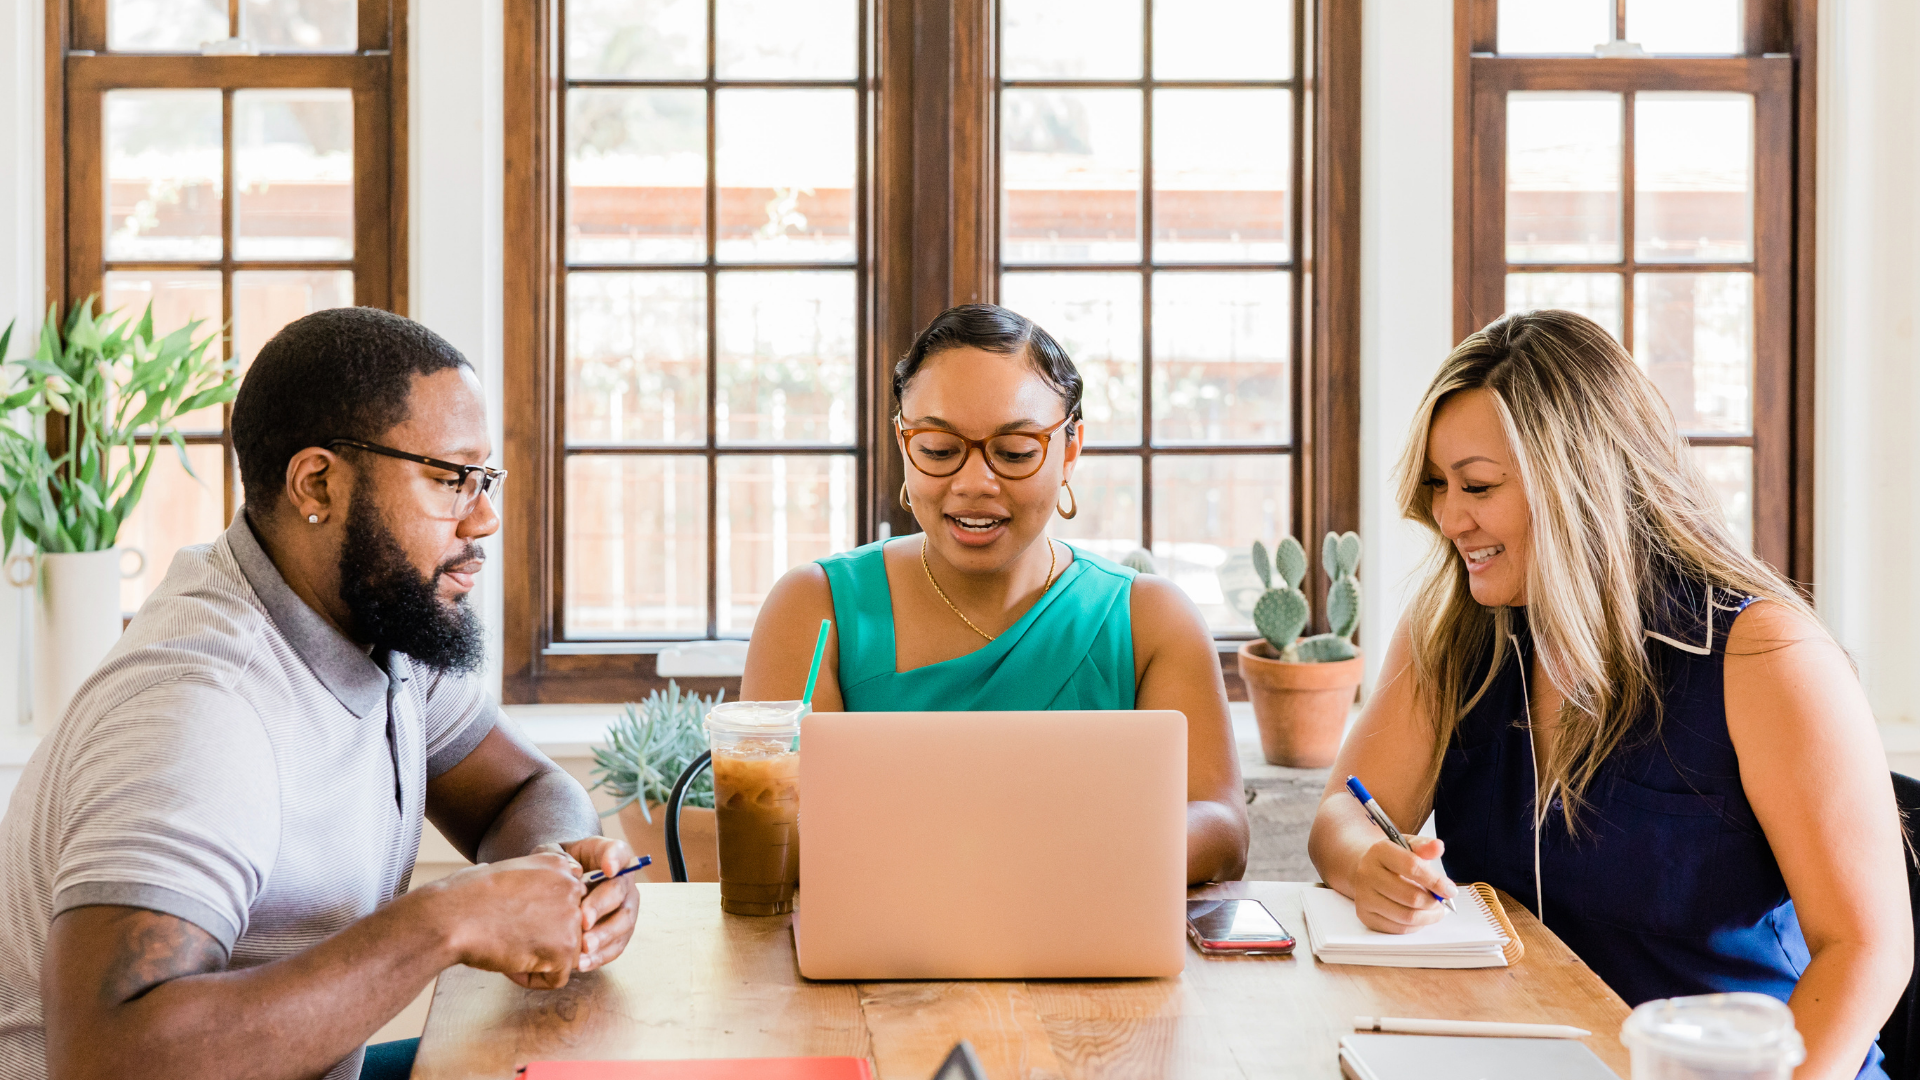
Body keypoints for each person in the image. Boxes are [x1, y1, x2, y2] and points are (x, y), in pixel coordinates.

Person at [0, 308, 642, 1080]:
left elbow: (523, 789)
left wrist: (562, 875)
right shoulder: (199, 710)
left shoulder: (378, 621)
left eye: (485, 478)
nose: (486, 517)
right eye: (449, 479)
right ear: (318, 483)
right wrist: (449, 920)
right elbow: (109, 1059)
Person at [1307, 310, 1910, 1079]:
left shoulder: (1766, 654)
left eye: (1477, 485)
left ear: (1580, 481)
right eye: (1437, 485)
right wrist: (1367, 865)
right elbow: (1343, 815)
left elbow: (1867, 949)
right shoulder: (1454, 633)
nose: (1446, 517)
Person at [742, 303, 1248, 885]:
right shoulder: (814, 608)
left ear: (1071, 448)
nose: (974, 483)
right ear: (903, 442)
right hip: (873, 964)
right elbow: (773, 833)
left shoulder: (1151, 621)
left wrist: (1070, 851)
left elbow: (1223, 831)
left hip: (1092, 952)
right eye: (937, 449)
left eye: (1014, 452)